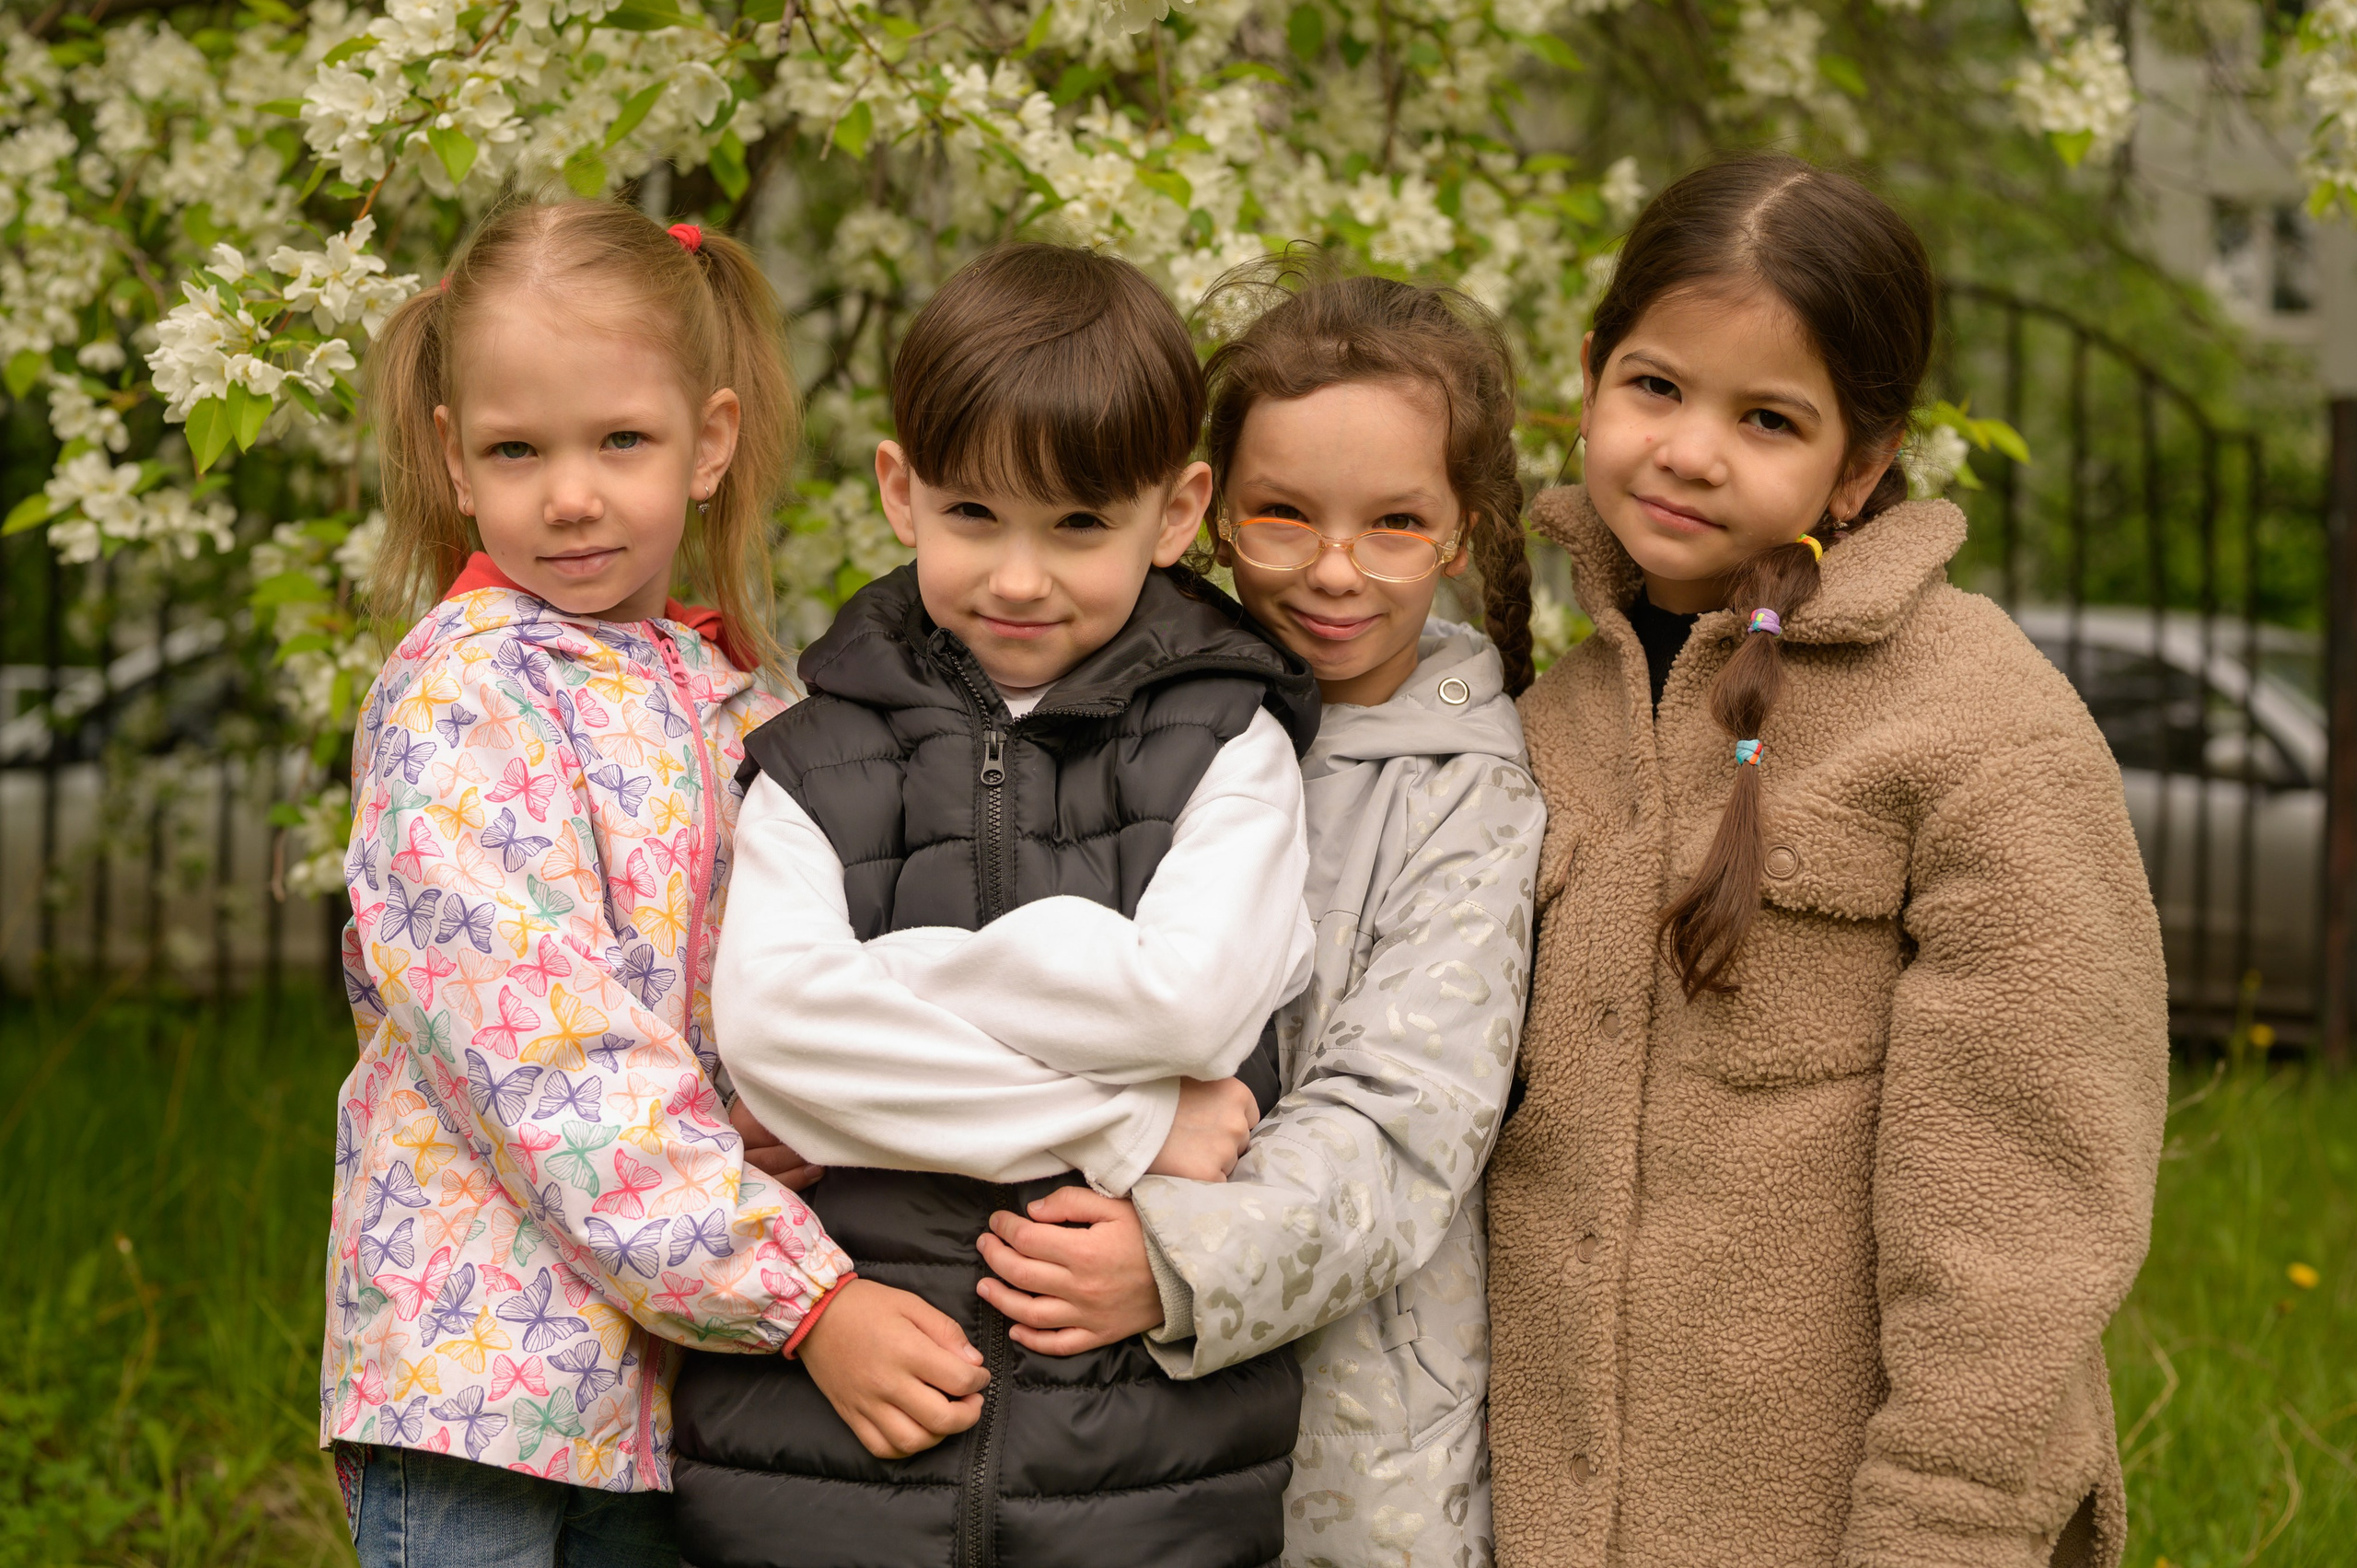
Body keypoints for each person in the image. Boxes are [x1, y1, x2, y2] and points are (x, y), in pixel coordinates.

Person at [1488, 153, 2171, 1568]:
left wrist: (1947, 1526)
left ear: (1857, 464)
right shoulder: (1545, 723)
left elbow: (2027, 1193)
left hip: (1851, 1526)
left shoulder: (1980, 726)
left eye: (1769, 417)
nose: (1689, 448)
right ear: (1592, 372)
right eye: (1657, 386)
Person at [668, 243, 1320, 1568]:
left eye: (1080, 525)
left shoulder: (1231, 743)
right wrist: (1131, 1118)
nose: (1020, 580)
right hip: (823, 1467)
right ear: (901, 492)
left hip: (1140, 1475)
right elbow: (779, 1036)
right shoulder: (809, 752)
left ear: (1179, 508)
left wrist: (892, 987)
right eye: (974, 516)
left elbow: (1188, 1000)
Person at [974, 268, 1546, 1568]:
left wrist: (1176, 1261)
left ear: (1461, 531)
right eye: (1283, 515)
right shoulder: (1113, 700)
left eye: (1395, 522)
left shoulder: (1466, 795)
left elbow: (1405, 1126)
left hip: (1343, 1441)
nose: (1335, 570)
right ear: (1209, 514)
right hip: (1085, 1419)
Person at [320, 200, 852, 1566]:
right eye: (518, 448)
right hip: (480, 1385)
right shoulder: (465, 692)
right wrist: (791, 1288)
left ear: (711, 441)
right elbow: (544, 1048)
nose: (571, 492)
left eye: (621, 439)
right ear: (453, 458)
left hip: (676, 1382)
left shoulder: (750, 703)